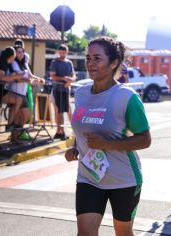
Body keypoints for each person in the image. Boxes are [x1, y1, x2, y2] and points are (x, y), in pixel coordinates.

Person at [64, 36, 151, 236]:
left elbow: (145, 139)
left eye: (97, 58)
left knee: (123, 232)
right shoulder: (81, 93)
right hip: (89, 176)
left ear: (113, 63)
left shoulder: (126, 97)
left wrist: (106, 144)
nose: (90, 63)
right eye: (88, 58)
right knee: (85, 232)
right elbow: (82, 126)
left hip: (124, 179)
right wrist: (76, 147)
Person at [0, 47, 28, 150]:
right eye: (14, 56)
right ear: (11, 56)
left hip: (0, 90)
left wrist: (14, 76)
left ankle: (9, 125)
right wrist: (16, 77)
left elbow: (4, 77)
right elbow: (2, 78)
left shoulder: (4, 63)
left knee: (18, 99)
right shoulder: (0, 62)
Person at [50, 44, 76, 140]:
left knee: (68, 111)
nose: (62, 54)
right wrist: (63, 78)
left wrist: (70, 80)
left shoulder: (69, 63)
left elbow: (73, 76)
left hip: (66, 90)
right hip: (57, 90)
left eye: (64, 52)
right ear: (58, 52)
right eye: (60, 52)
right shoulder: (54, 62)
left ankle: (74, 131)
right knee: (59, 111)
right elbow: (53, 76)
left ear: (67, 52)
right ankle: (60, 131)